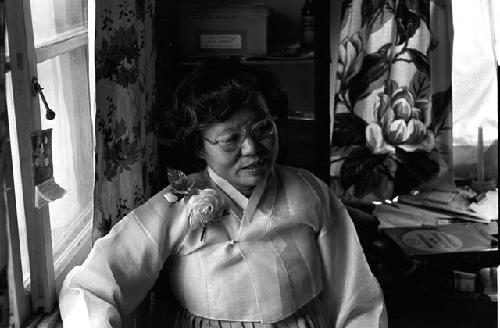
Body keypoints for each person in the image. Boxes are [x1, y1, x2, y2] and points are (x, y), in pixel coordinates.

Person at [59, 60, 387, 327]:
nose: (253, 148)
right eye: (230, 139)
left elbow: (353, 290)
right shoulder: (177, 203)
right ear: (198, 146)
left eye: (263, 129)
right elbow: (91, 285)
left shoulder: (309, 191)